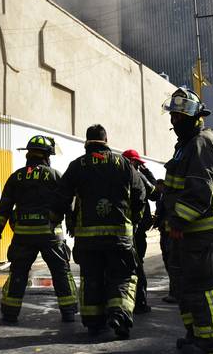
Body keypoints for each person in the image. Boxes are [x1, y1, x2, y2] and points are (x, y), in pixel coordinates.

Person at [60, 124, 145, 339]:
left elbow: (61, 195)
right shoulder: (124, 163)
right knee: (123, 275)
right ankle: (120, 314)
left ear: (86, 143)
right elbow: (140, 192)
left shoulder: (77, 165)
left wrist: (68, 219)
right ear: (106, 140)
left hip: (87, 238)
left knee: (91, 277)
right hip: (119, 236)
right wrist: (134, 218)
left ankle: (93, 322)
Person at [162, 87, 213, 354]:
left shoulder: (202, 141)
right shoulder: (187, 144)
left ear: (195, 116)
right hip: (187, 231)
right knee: (185, 288)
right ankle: (196, 334)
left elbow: (198, 189)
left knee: (202, 288)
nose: (174, 121)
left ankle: (212, 341)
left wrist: (179, 221)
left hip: (199, 231)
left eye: (179, 116)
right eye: (173, 116)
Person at [0, 135, 78, 324]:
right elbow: (67, 202)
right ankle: (68, 312)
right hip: (51, 235)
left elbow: (5, 204)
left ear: (28, 155)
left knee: (18, 273)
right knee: (61, 272)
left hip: (23, 235)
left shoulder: (16, 177)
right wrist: (71, 223)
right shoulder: (55, 175)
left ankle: (10, 314)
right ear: (47, 156)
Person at [122, 148, 159, 314]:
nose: (139, 166)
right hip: (136, 231)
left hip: (119, 229)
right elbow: (155, 194)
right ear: (133, 162)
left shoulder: (113, 175)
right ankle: (140, 303)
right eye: (138, 164)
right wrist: (147, 172)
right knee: (137, 267)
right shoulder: (138, 176)